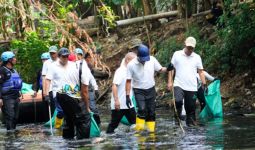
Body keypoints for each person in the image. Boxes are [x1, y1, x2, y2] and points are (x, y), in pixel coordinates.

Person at [44, 47, 91, 139]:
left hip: (72, 93)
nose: (65, 58)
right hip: (60, 94)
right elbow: (47, 80)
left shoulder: (73, 65)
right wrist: (46, 94)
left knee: (69, 116)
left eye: (67, 56)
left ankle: (68, 140)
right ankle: (83, 142)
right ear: (59, 56)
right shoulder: (53, 66)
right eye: (63, 56)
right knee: (82, 118)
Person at [126, 44, 167, 133]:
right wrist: (127, 96)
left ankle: (151, 133)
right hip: (138, 90)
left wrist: (168, 68)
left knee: (151, 112)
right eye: (142, 60)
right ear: (138, 56)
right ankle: (139, 131)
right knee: (142, 109)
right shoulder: (131, 65)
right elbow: (128, 81)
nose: (144, 62)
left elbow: (160, 69)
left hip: (151, 89)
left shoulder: (152, 60)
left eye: (145, 60)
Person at [167, 37, 206, 127]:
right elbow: (171, 68)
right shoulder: (177, 54)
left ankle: (191, 126)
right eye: (189, 47)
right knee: (178, 101)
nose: (190, 49)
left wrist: (204, 84)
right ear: (185, 44)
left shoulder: (197, 57)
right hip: (178, 84)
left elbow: (200, 71)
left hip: (192, 86)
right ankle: (178, 118)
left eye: (192, 48)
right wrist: (170, 81)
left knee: (191, 109)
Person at [106, 52, 137, 134]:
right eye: (134, 61)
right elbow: (114, 86)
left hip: (129, 104)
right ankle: (107, 137)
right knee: (113, 126)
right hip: (119, 105)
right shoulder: (120, 71)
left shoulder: (130, 71)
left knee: (136, 123)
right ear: (127, 60)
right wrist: (116, 101)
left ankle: (132, 139)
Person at [42, 45, 64, 129]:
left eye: (54, 53)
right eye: (51, 53)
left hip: (62, 88)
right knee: (54, 108)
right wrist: (45, 92)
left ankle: (64, 123)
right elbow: (44, 77)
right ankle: (56, 125)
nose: (52, 55)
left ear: (57, 52)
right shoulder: (46, 63)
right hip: (51, 89)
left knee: (63, 108)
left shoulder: (61, 61)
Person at [0, 51, 22, 130]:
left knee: (15, 118)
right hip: (7, 98)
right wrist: (0, 98)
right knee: (10, 117)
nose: (15, 59)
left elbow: (17, 83)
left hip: (15, 97)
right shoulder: (2, 70)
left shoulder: (14, 70)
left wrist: (19, 94)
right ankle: (9, 137)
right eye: (13, 58)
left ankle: (13, 135)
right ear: (9, 60)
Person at [84, 52, 100, 126]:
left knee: (93, 108)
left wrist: (96, 89)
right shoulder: (79, 66)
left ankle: (97, 123)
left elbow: (92, 79)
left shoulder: (90, 67)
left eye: (90, 57)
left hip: (89, 89)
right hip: (81, 90)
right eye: (88, 57)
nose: (89, 59)